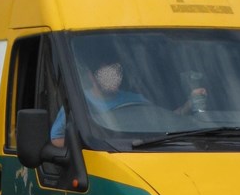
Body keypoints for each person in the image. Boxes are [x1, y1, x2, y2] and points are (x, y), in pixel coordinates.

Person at [49, 61, 205, 147]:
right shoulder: (80, 102)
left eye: (116, 74)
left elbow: (166, 120)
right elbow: (56, 138)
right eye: (107, 75)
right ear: (92, 76)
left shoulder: (136, 99)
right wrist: (83, 148)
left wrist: (190, 102)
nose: (114, 81)